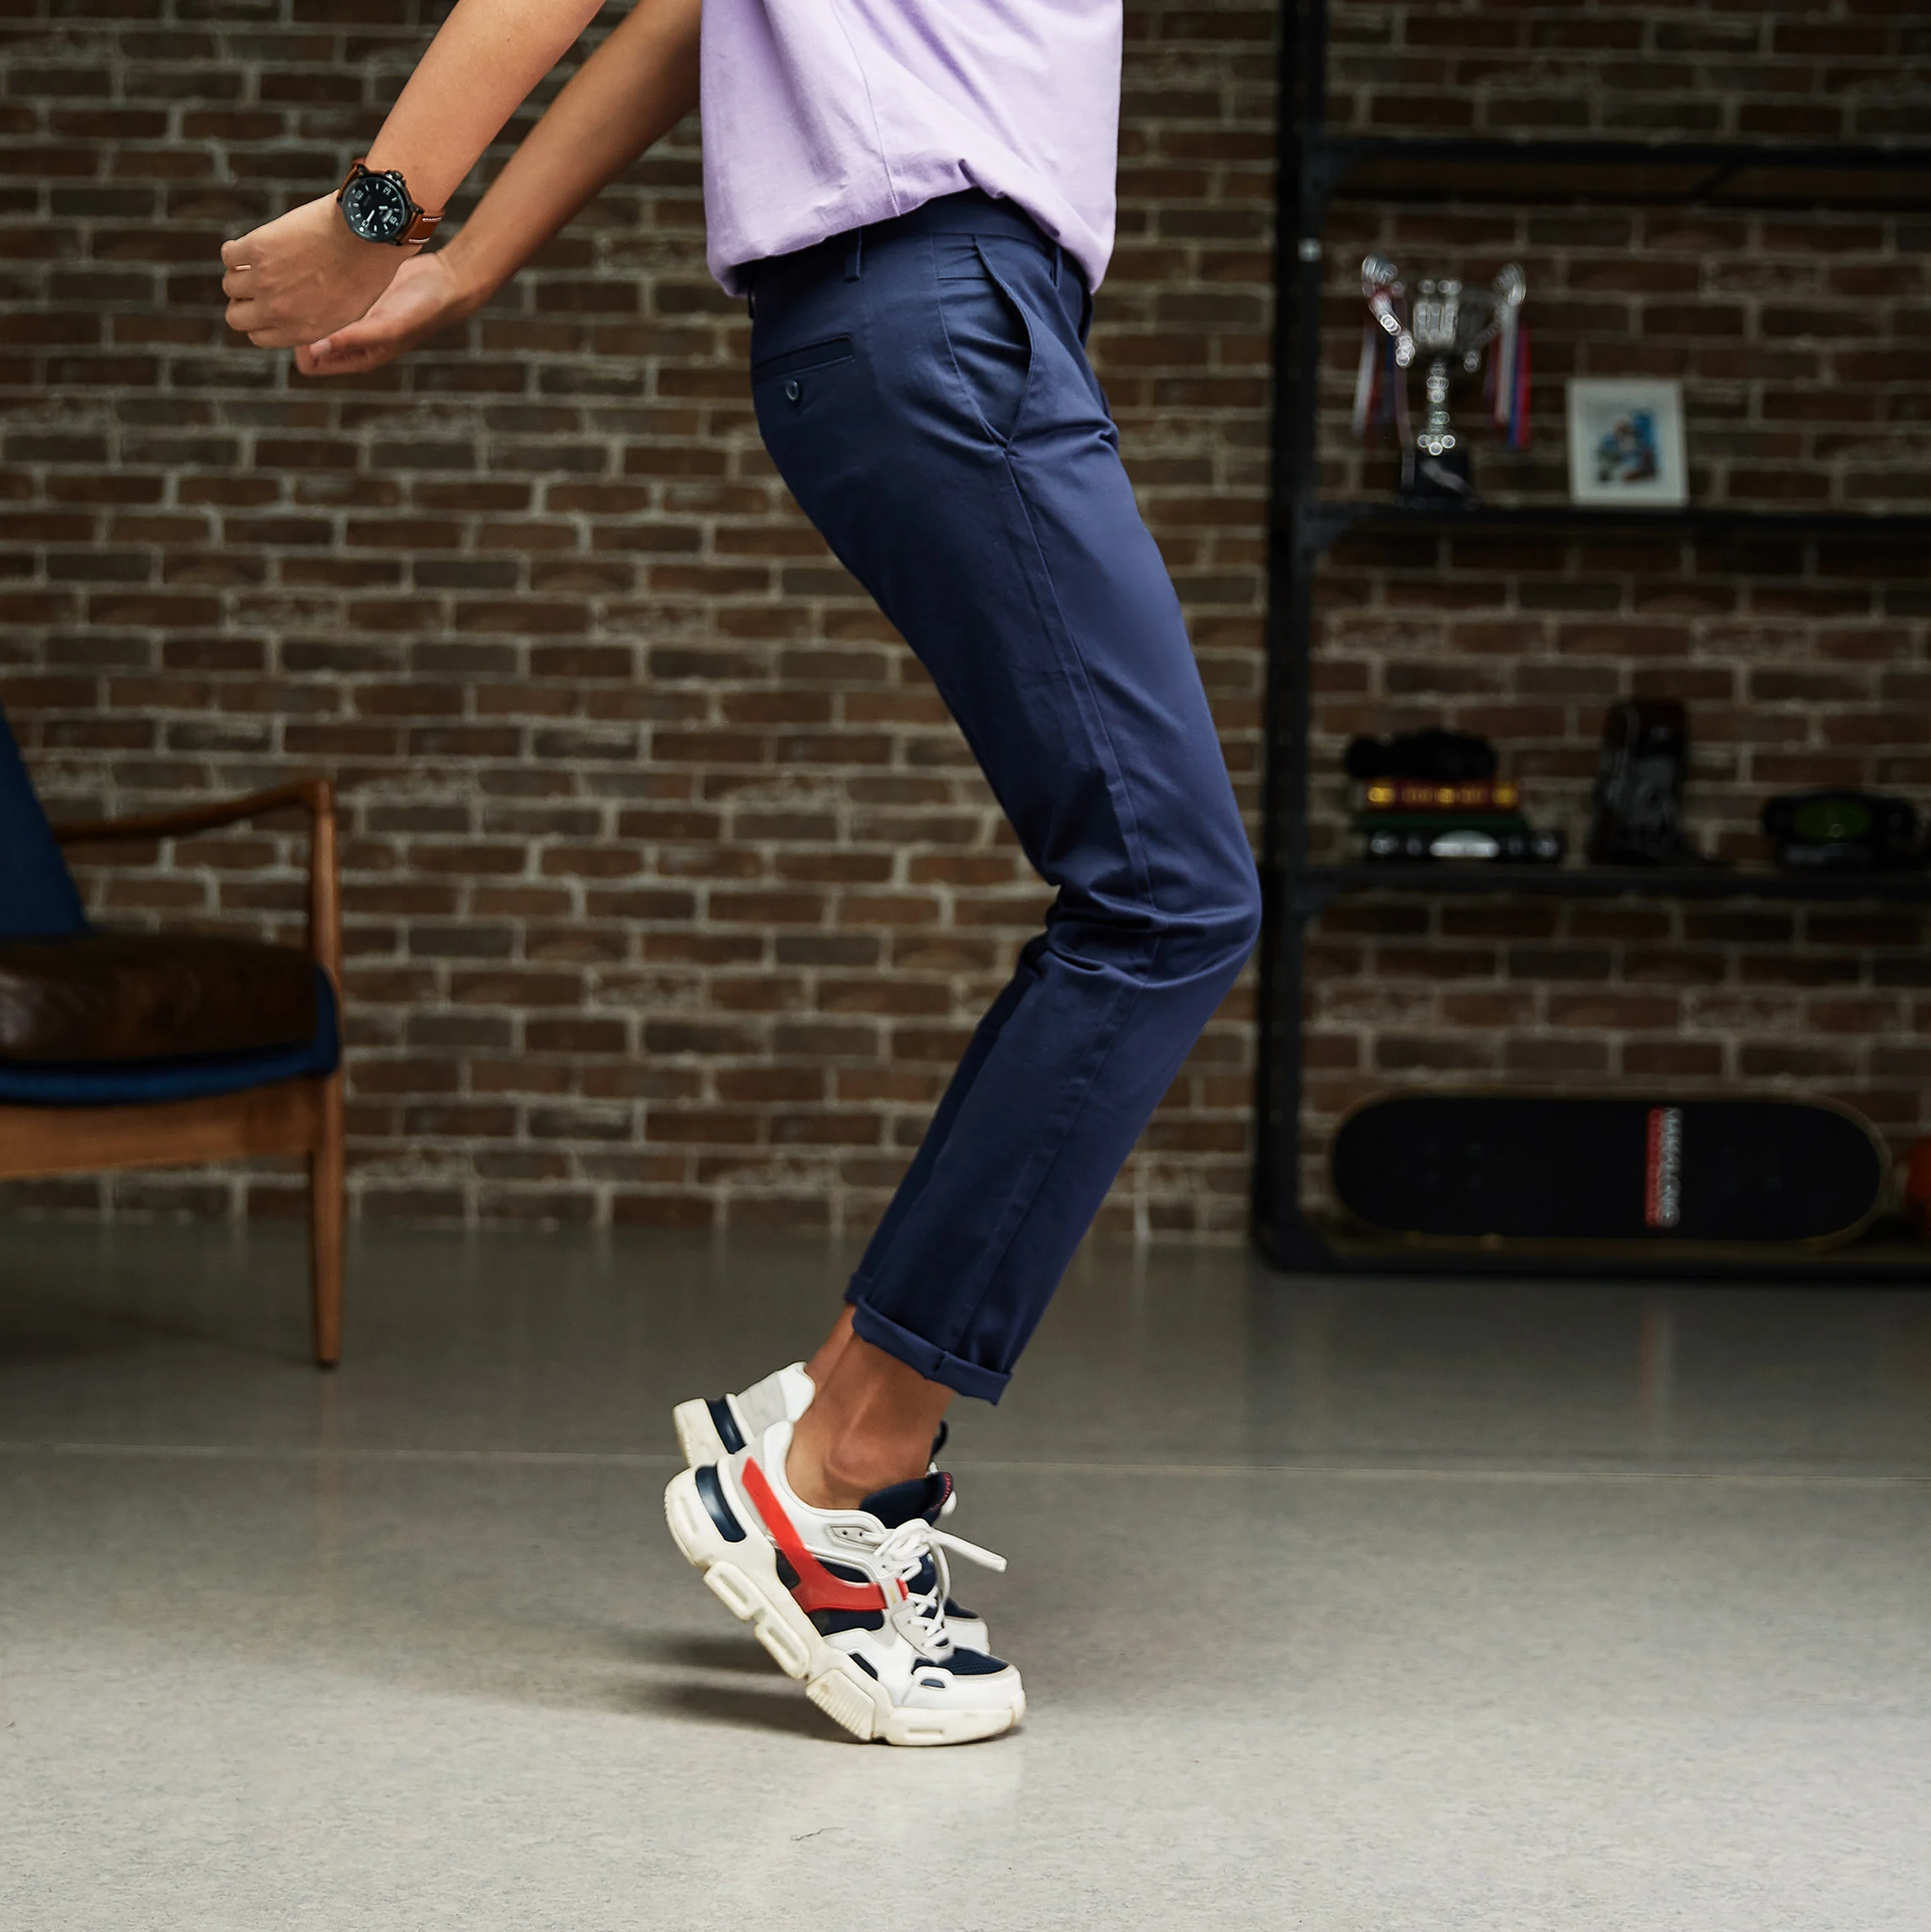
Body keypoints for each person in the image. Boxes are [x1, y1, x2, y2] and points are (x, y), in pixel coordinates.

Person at [223, 0, 1262, 1747]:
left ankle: (837, 1418)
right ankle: (841, 1470)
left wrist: (468, 259)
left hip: (922, 311)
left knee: (1154, 893)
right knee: (1169, 896)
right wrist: (381, 208)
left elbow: (689, 15)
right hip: (943, 292)